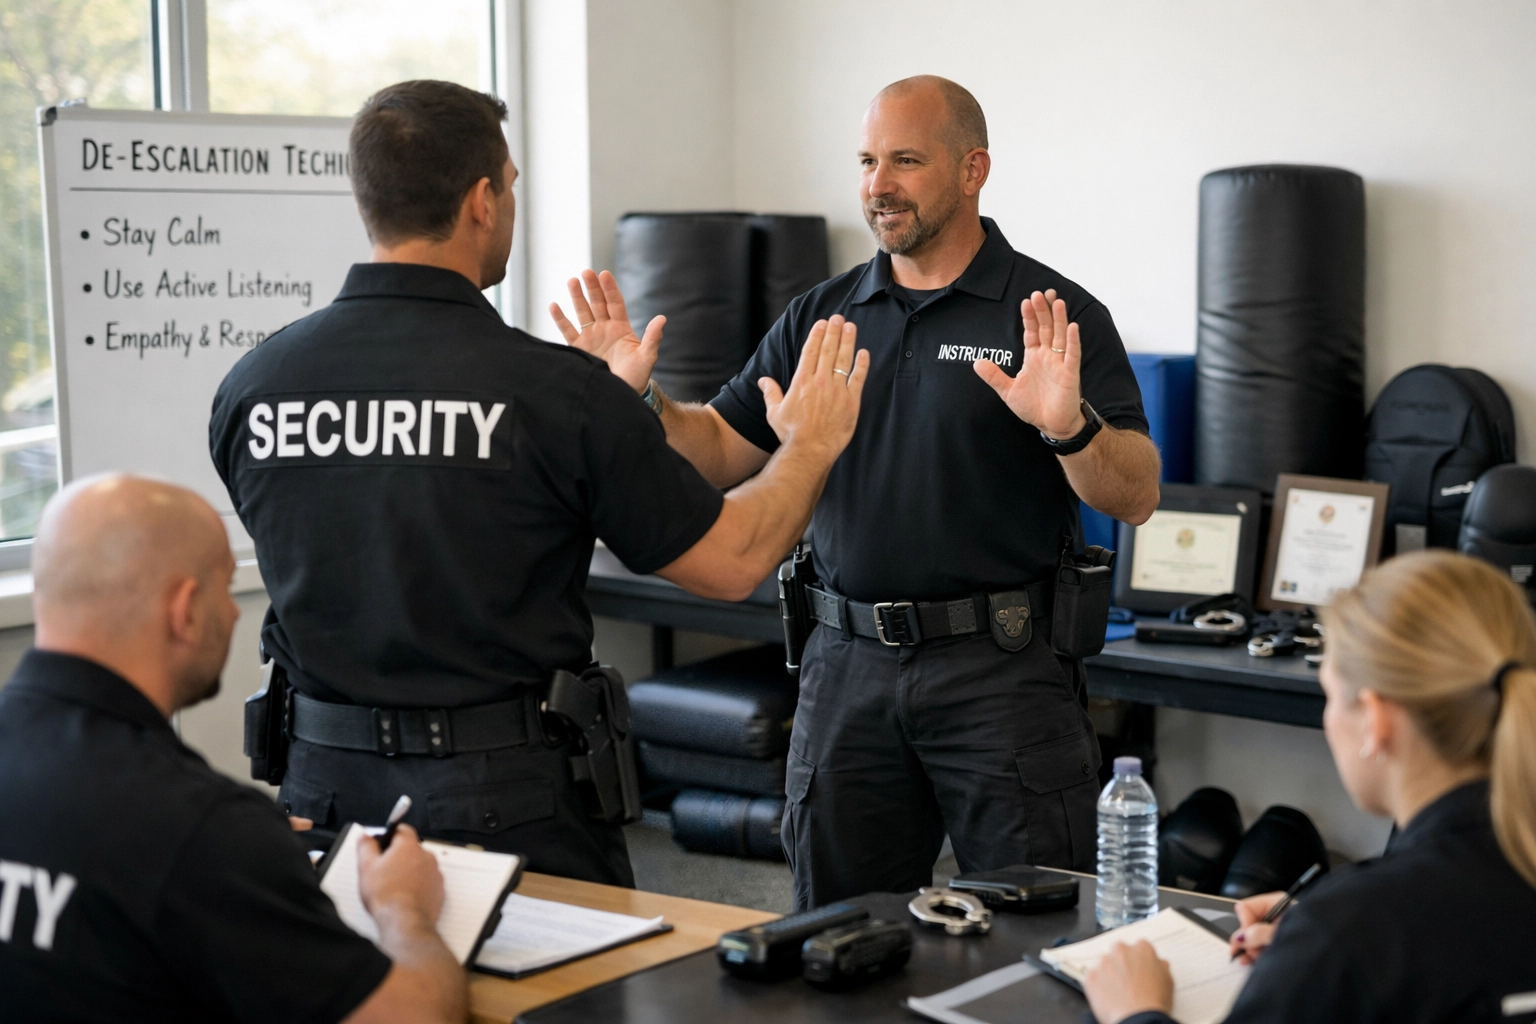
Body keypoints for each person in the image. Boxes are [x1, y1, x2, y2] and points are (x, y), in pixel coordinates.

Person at [209, 80, 867, 887]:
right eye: (513, 186)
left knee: (368, 1004)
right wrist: (808, 443)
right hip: (507, 802)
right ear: (483, 200)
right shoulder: (554, 393)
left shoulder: (255, 385)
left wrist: (613, 417)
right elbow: (732, 562)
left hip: (323, 790)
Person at [556, 75, 1160, 908]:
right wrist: (639, 400)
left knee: (1037, 926)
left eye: (906, 160)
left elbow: (1136, 493)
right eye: (869, 161)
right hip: (845, 672)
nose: (879, 184)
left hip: (1003, 675)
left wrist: (1070, 428)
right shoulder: (823, 316)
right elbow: (721, 451)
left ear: (973, 168)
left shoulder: (1046, 313)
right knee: (837, 935)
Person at [0, 474, 465, 1023]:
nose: (237, 611)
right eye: (225, 586)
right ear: (187, 609)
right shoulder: (198, 828)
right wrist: (403, 907)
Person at [1084, 550, 1536, 1024]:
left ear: (1376, 719)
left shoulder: (1352, 933)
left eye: (1331, 696)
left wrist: (1136, 1011)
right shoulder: (1359, 929)